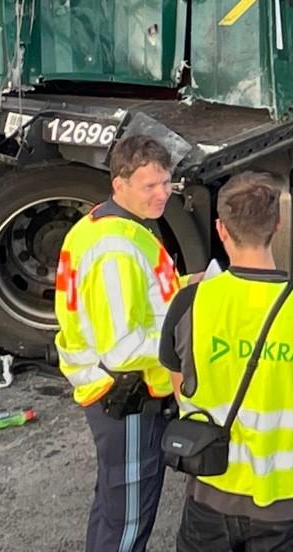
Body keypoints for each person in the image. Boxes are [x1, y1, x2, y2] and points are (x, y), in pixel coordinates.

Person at [160, 171, 293, 552]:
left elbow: (180, 387)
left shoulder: (190, 302)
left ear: (220, 229)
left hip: (210, 488)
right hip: (289, 502)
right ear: (277, 225)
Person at [57, 136, 184, 552]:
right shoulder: (117, 249)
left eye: (166, 183)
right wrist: (185, 339)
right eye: (150, 186)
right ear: (119, 185)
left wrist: (186, 286)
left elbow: (142, 299)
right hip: (128, 398)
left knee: (113, 509)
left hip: (117, 397)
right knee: (128, 522)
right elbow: (124, 349)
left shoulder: (102, 226)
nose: (162, 194)